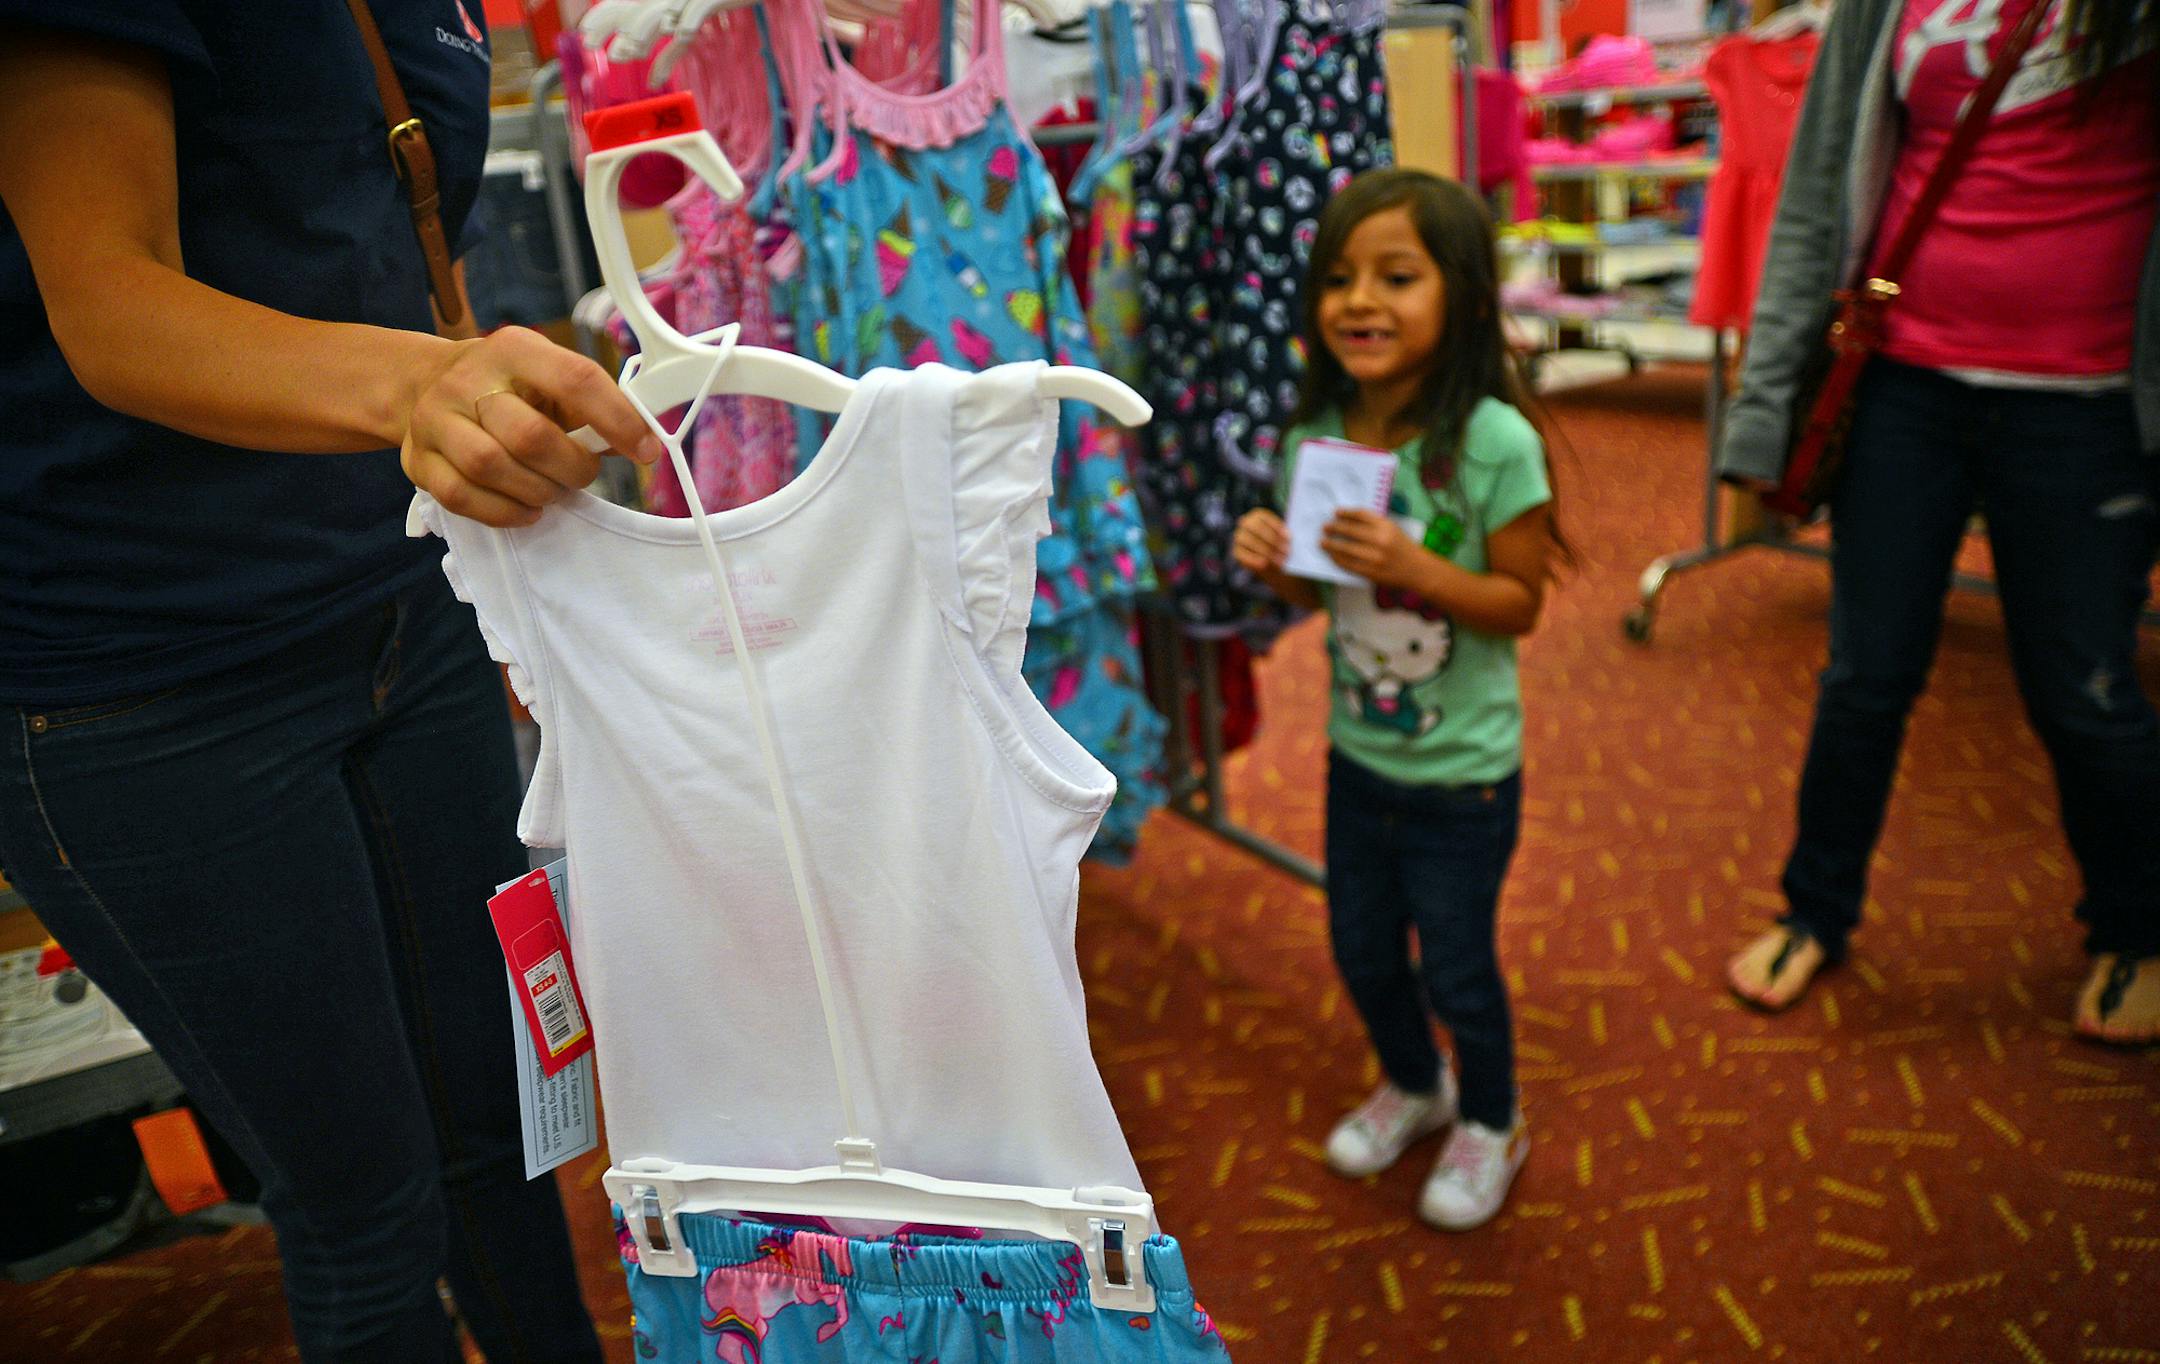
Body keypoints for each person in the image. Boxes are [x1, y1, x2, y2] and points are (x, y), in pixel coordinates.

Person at [0, 7, 663, 1360]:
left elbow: (362, 221)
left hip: (391, 599)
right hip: (140, 668)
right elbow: (109, 298)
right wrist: (427, 385)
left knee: (503, 1135)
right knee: (364, 1203)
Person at [1717, 0, 2160, 1044]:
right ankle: (1813, 908)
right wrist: (1764, 409)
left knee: (2085, 690)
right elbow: (1819, 193)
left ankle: (2137, 927)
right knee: (1864, 674)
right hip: (1903, 389)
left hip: (2089, 406)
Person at [1231, 169, 1565, 1230]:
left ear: (1464, 296)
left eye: (1397, 276)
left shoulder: (1496, 444)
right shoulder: (1321, 433)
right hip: (1358, 756)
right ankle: (1417, 1086)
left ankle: (1495, 1117)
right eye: (1339, 278)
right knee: (1364, 948)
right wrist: (1275, 559)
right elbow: (1314, 591)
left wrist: (1418, 565)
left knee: (1460, 961)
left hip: (1464, 774)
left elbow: (1519, 604)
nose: (1359, 300)